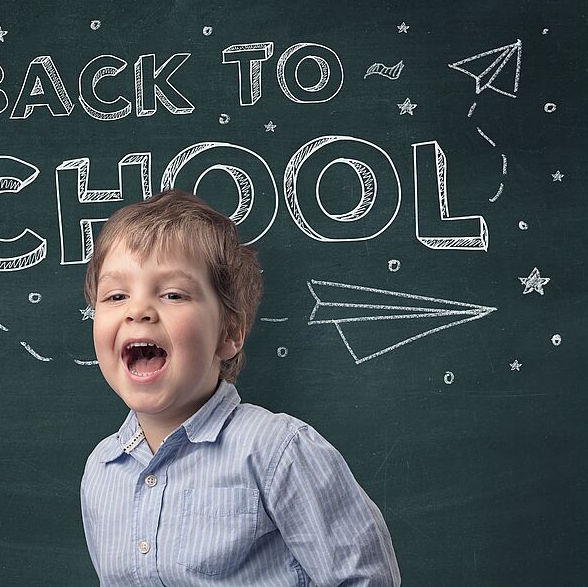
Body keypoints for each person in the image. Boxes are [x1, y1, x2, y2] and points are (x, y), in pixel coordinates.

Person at [80, 189, 400, 586]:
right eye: (116, 295)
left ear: (229, 333)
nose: (138, 309)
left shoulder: (278, 450)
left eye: (173, 294)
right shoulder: (102, 470)